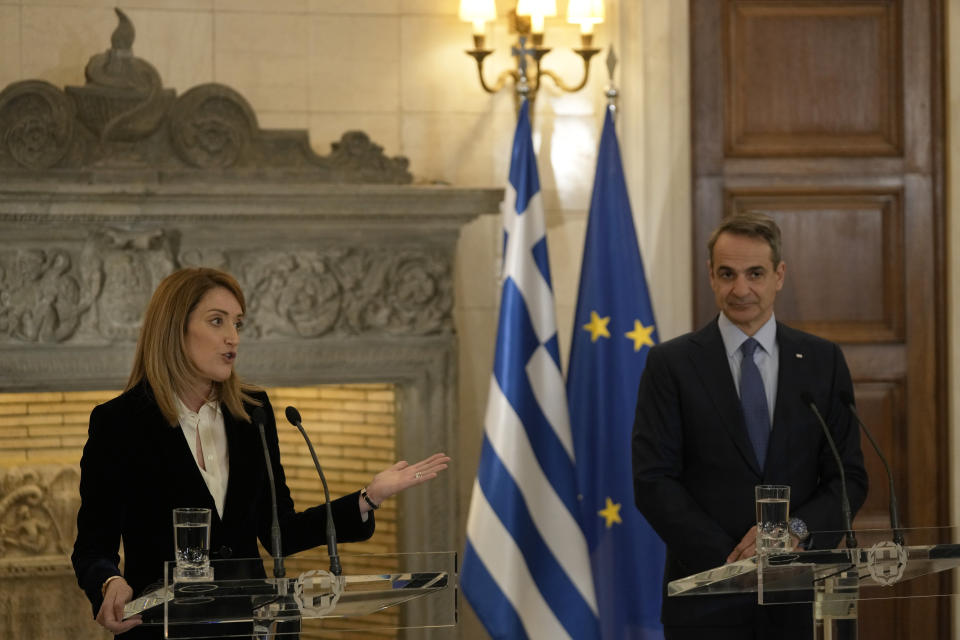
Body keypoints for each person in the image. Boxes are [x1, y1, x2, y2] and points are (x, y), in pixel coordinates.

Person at [71, 267, 450, 638]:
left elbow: (279, 530)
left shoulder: (252, 413)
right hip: (163, 628)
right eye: (217, 321)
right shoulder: (118, 422)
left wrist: (369, 498)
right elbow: (92, 546)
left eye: (238, 324)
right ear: (175, 329)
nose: (232, 337)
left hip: (252, 627)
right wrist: (109, 581)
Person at [631, 212, 867, 639]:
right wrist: (734, 561)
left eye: (755, 273)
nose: (741, 289)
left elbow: (847, 476)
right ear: (711, 276)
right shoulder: (672, 364)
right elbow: (653, 480)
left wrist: (795, 533)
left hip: (799, 598)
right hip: (705, 600)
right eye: (727, 274)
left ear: (779, 275)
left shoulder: (822, 361)